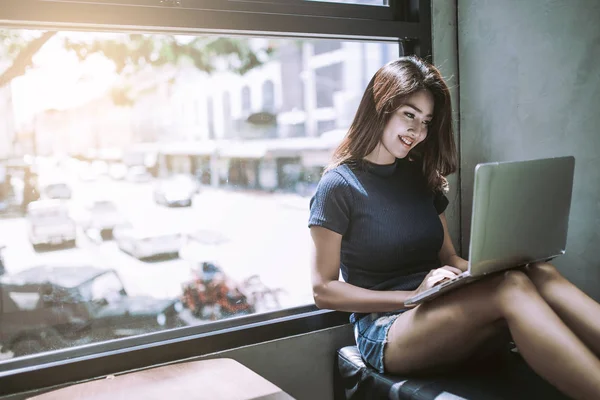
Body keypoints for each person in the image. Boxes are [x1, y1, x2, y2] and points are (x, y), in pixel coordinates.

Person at [308, 55, 600, 400]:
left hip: (435, 305)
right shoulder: (338, 186)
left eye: (426, 121)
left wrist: (495, 263)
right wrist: (410, 298)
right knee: (508, 288)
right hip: (385, 328)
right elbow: (323, 290)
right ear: (380, 108)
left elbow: (449, 256)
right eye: (409, 115)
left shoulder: (419, 177)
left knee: (536, 272)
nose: (417, 132)